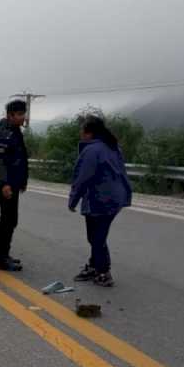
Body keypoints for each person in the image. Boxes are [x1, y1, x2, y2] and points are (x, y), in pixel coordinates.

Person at [68, 115, 133, 287]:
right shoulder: (112, 147)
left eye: (82, 130)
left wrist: (73, 199)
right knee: (97, 235)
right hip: (114, 198)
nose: (80, 134)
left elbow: (83, 178)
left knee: (96, 237)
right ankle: (94, 266)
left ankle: (103, 272)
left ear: (89, 133)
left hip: (101, 199)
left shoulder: (92, 151)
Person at [0, 100, 29, 271]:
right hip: (5, 184)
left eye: (23, 113)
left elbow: (20, 158)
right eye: (19, 114)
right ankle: (1, 259)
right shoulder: (5, 134)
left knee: (11, 220)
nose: (23, 117)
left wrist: (23, 181)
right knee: (7, 220)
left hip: (13, 183)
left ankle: (4, 255)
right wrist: (5, 184)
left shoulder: (15, 132)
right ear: (10, 115)